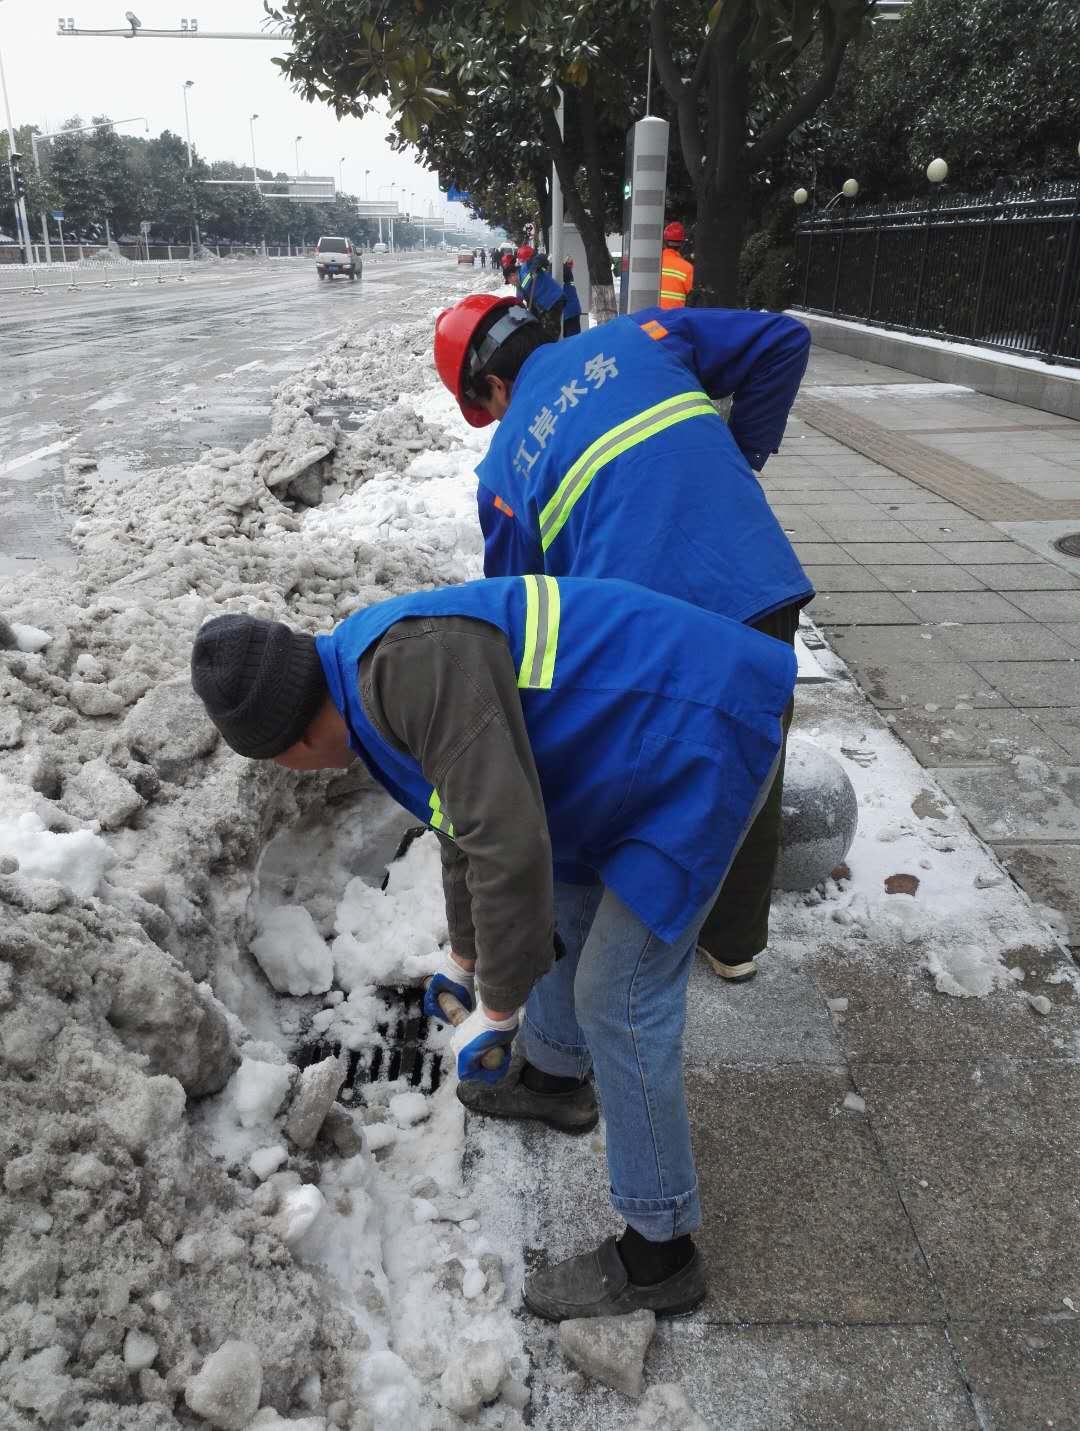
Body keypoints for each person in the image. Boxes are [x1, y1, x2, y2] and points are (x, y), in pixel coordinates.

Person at [190, 575, 796, 1318]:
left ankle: (659, 1251)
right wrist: (467, 957)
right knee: (565, 891)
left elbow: (507, 847)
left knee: (619, 994)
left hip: (703, 729)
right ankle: (553, 1077)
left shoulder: (411, 671)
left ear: (295, 742)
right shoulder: (359, 678)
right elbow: (464, 823)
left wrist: (500, 1007)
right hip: (632, 738)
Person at [433, 294, 812, 986]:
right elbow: (782, 339)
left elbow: (525, 611)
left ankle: (638, 935)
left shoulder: (502, 477)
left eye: (486, 412)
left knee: (651, 769)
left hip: (652, 635)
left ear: (490, 387)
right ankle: (733, 944)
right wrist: (743, 452)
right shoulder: (644, 335)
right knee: (756, 753)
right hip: (754, 578)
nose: (494, 425)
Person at [515, 245, 565, 340]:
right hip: (545, 304)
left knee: (550, 333)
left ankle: (553, 352)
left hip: (553, 300)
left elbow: (541, 258)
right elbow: (519, 301)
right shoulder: (520, 281)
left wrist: (535, 266)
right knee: (541, 331)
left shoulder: (531, 263)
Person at [660, 221, 694, 309]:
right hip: (674, 319)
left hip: (652, 317)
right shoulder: (687, 268)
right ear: (682, 243)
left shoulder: (655, 263)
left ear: (664, 241)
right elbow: (693, 296)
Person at [561, 256, 583, 338]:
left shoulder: (567, 273)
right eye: (569, 264)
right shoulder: (568, 274)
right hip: (571, 311)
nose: (570, 266)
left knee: (572, 339)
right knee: (570, 338)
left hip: (570, 312)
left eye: (570, 264)